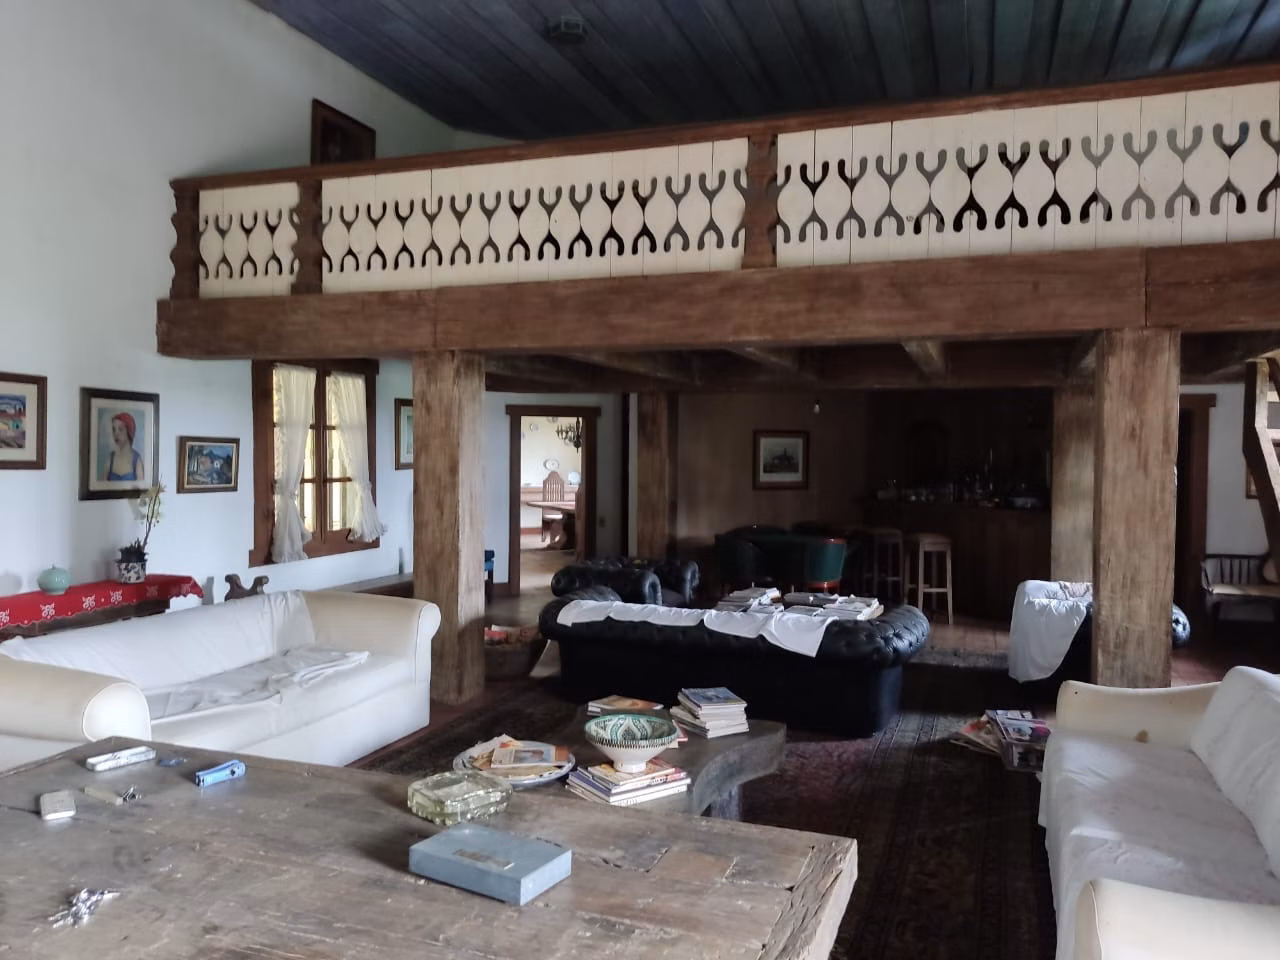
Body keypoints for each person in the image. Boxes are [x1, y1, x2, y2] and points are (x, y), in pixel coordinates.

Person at [104, 412, 144, 482]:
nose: (116, 434)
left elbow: (141, 487)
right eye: (114, 429)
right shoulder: (110, 458)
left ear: (129, 431)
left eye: (120, 429)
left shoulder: (137, 460)